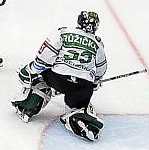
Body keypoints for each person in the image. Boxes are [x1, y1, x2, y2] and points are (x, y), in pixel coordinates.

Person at [12, 11, 107, 141]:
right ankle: (77, 116)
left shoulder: (63, 32)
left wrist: (31, 69)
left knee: (41, 80)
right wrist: (95, 82)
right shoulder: (98, 43)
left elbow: (45, 56)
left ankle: (28, 106)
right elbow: (102, 68)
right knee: (77, 104)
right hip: (83, 86)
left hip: (58, 78)